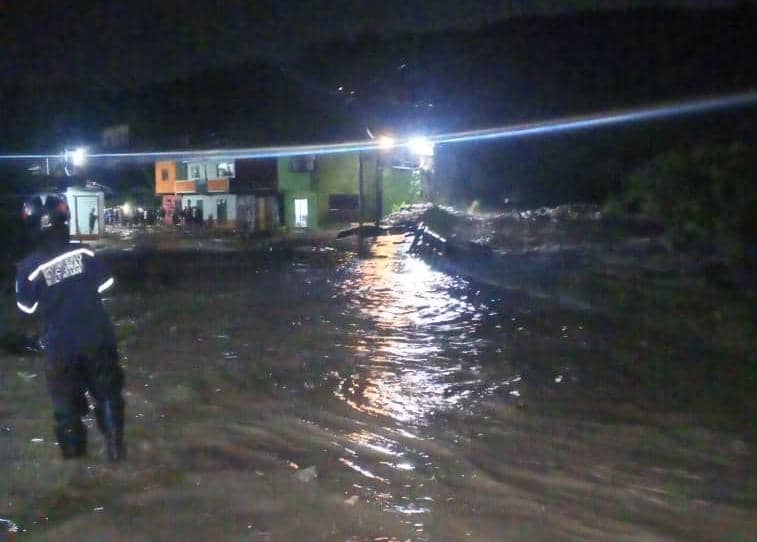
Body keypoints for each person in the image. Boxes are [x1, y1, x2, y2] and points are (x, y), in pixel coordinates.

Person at [15, 194, 125, 462]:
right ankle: (115, 452)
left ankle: (76, 468)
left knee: (65, 408)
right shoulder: (85, 252)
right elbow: (107, 284)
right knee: (107, 394)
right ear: (65, 219)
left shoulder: (28, 268)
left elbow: (25, 308)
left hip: (60, 347)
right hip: (97, 336)